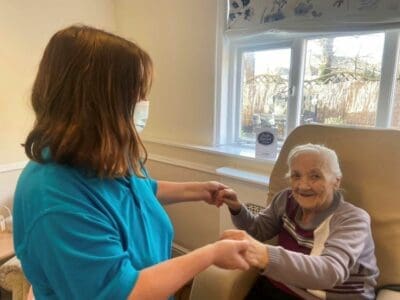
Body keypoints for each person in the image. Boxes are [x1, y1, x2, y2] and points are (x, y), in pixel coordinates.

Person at [12, 25, 250, 300]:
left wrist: (197, 190)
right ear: (99, 101)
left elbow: (137, 191)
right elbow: (122, 292)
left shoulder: (102, 153)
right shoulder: (53, 196)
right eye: (136, 92)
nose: (144, 102)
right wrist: (211, 255)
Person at [218, 143, 379, 300]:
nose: (303, 185)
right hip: (280, 286)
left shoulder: (353, 219)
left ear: (336, 181)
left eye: (315, 176)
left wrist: (264, 254)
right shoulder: (285, 199)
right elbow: (258, 230)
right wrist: (236, 207)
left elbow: (330, 271)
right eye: (296, 176)